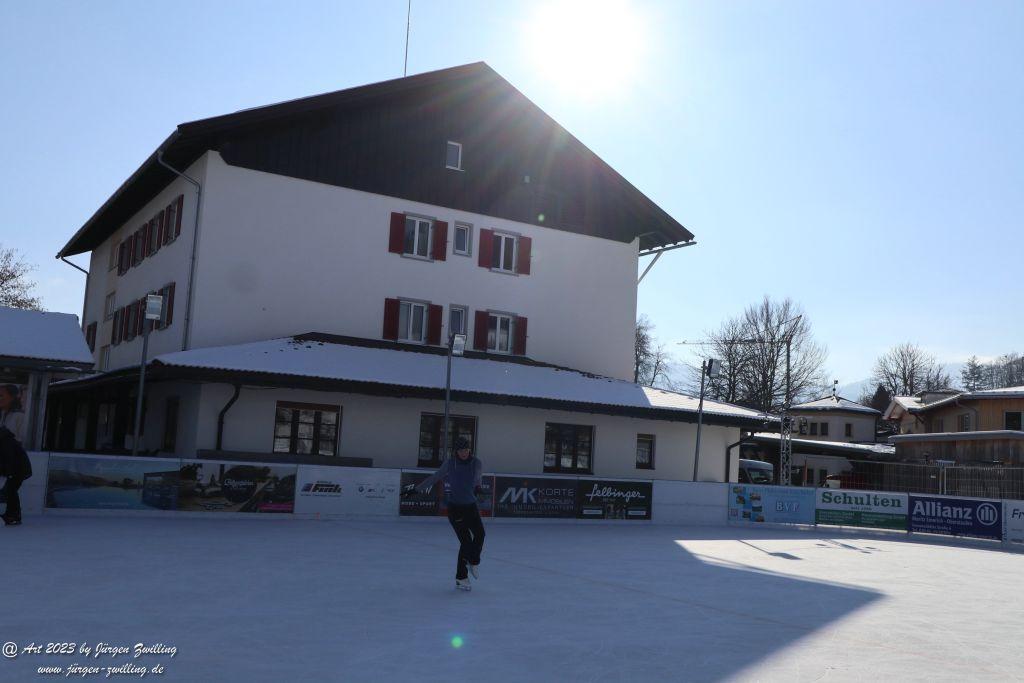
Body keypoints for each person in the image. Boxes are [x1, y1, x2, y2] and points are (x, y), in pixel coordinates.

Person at [402, 437, 485, 591]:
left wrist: (478, 488)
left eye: (466, 449)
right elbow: (434, 478)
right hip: (455, 508)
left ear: (469, 449)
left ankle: (474, 561)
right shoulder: (450, 464)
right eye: (460, 450)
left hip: (471, 506)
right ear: (456, 452)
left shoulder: (476, 463)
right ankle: (462, 577)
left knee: (480, 534)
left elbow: (478, 479)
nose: (464, 453)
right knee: (466, 542)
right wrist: (415, 490)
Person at [0, 426, 32, 526]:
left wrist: (9, 473)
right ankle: (11, 514)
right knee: (10, 491)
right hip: (15, 470)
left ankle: (14, 516)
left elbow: (10, 458)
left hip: (18, 471)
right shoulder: (5, 440)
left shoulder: (6, 441)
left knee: (11, 490)